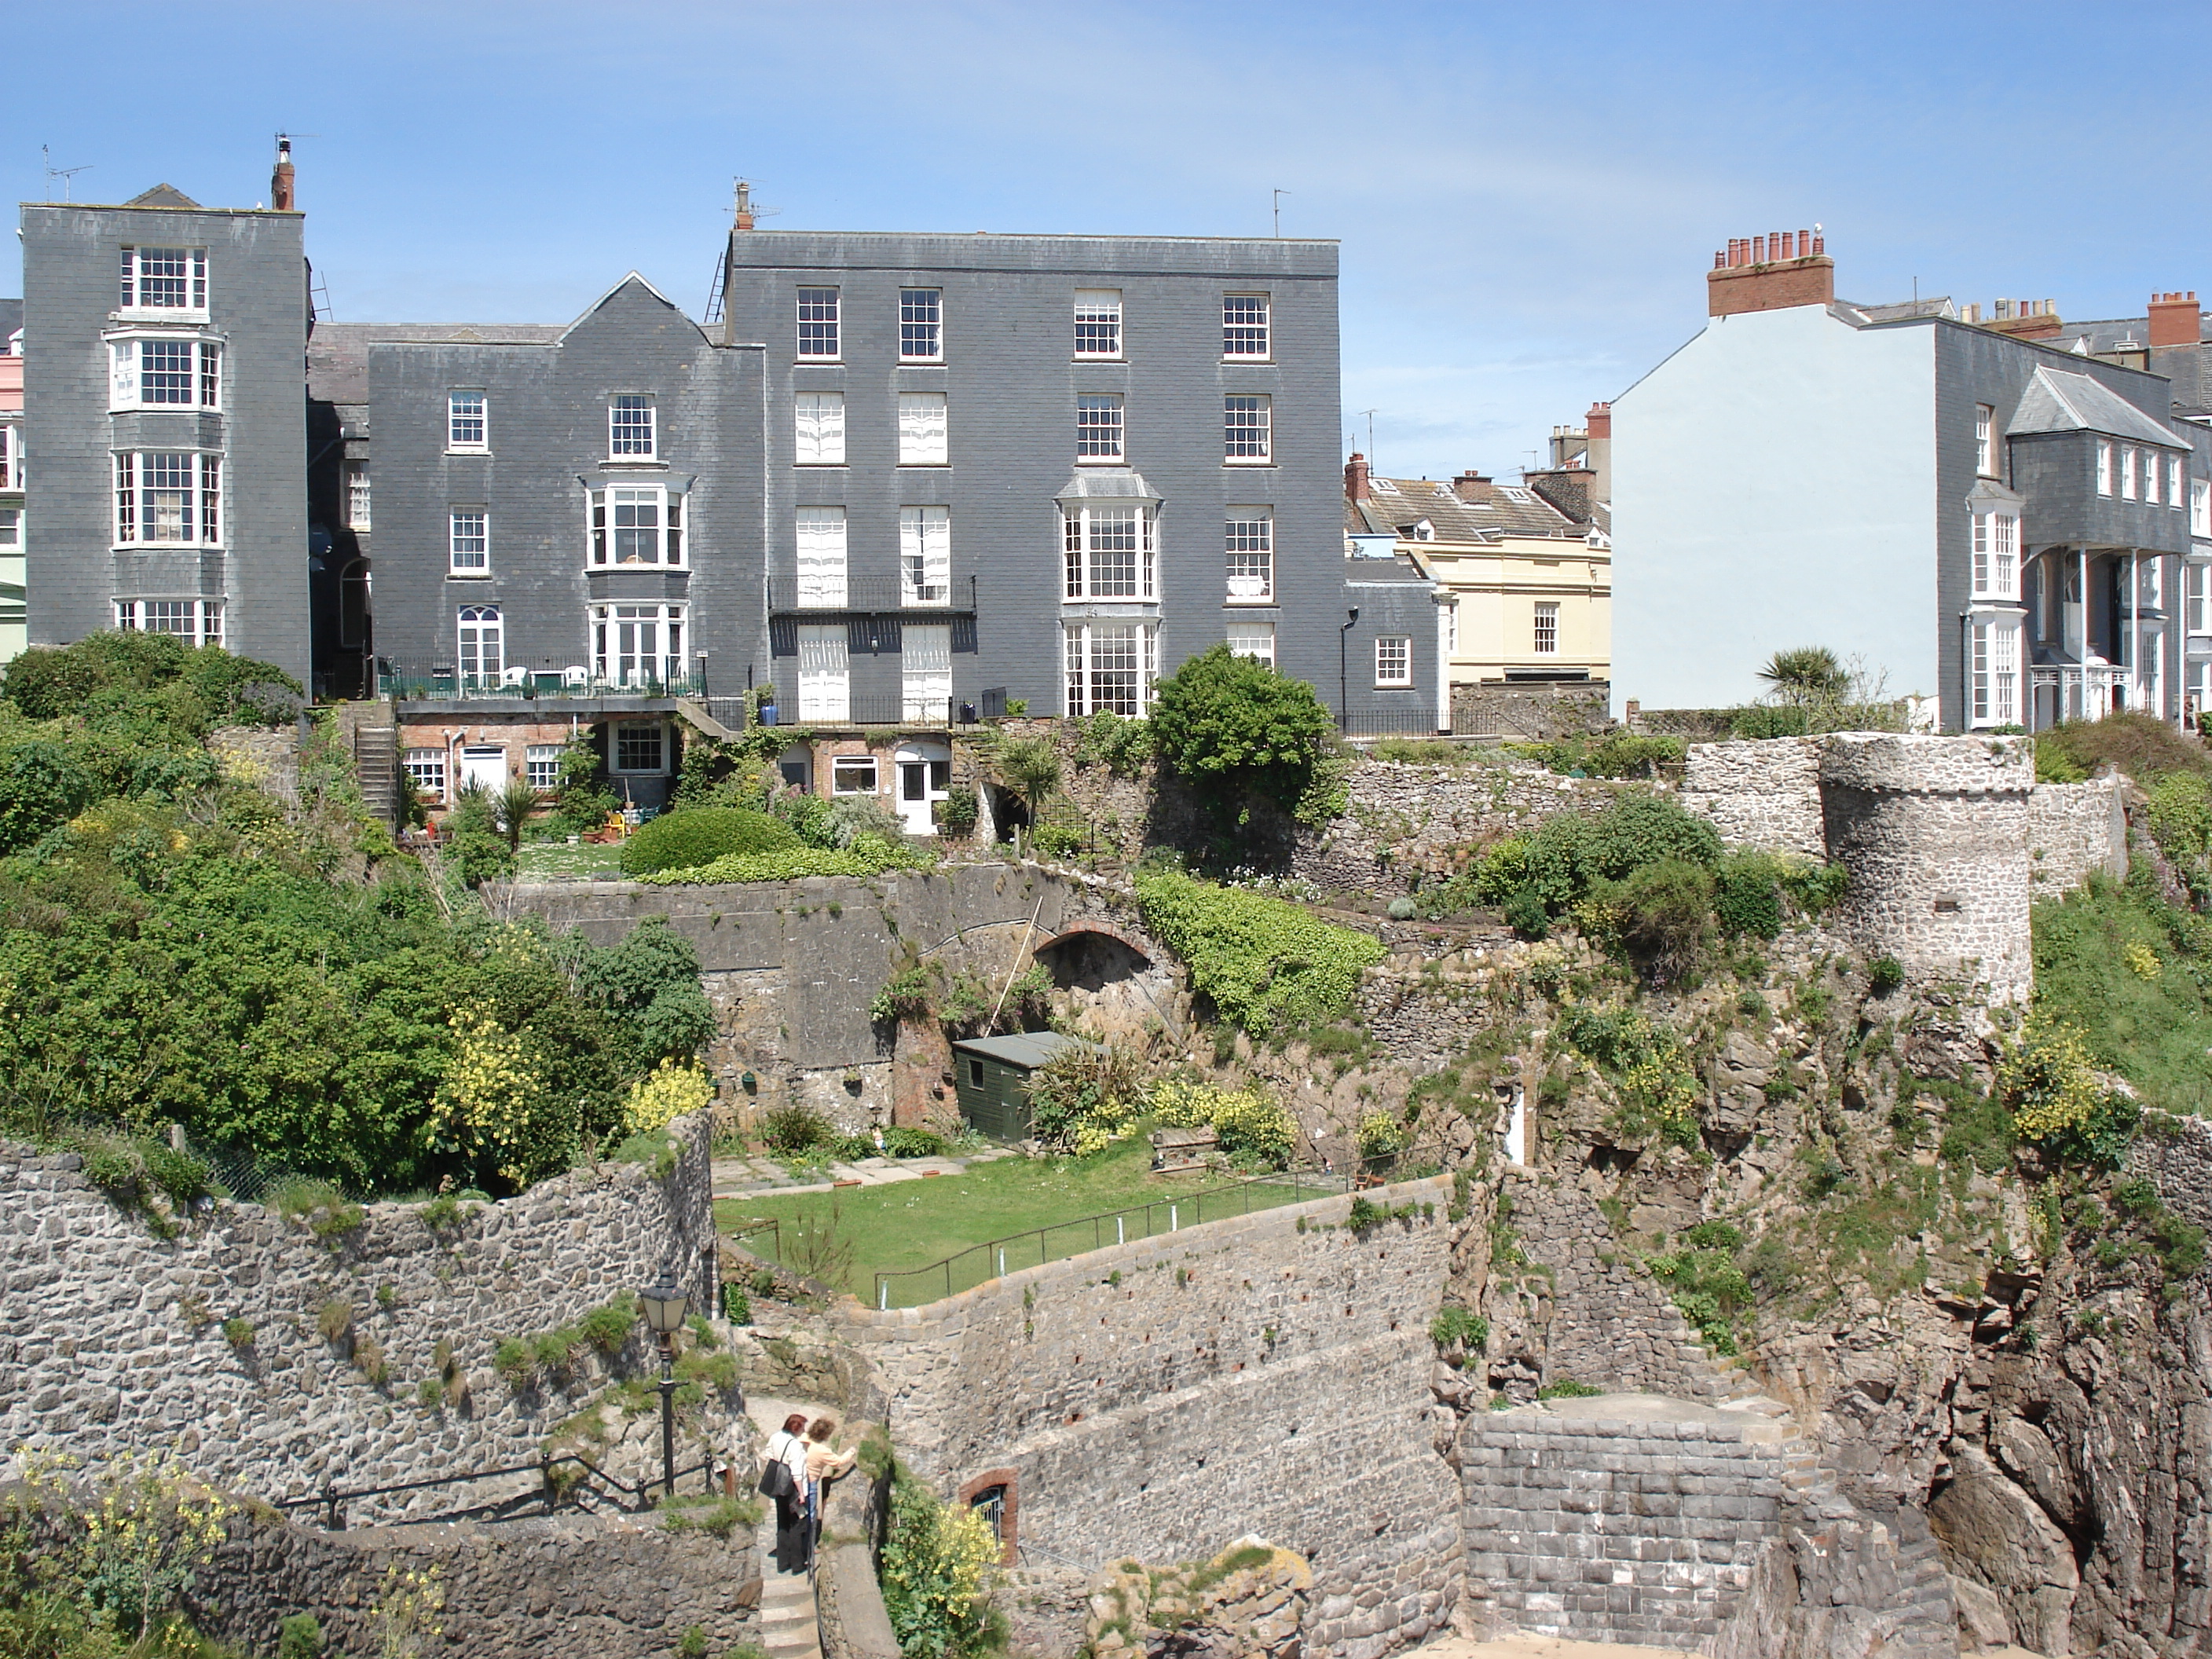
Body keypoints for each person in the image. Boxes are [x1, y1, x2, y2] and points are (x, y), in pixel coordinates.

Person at [803, 1417, 859, 1569]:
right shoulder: (821, 1450)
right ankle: (809, 1546)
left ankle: (801, 1544)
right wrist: (851, 1452)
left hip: (798, 1480)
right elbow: (838, 1462)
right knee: (811, 1516)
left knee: (801, 1512)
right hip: (810, 1482)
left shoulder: (804, 1440)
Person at [764, 1412, 812, 1573]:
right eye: (802, 1427)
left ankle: (782, 1563)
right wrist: (802, 1494)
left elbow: (769, 1454)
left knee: (782, 1525)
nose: (804, 1430)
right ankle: (797, 1564)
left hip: (779, 1487)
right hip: (792, 1489)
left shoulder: (776, 1437)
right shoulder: (795, 1446)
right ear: (796, 1428)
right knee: (798, 1526)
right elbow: (797, 1473)